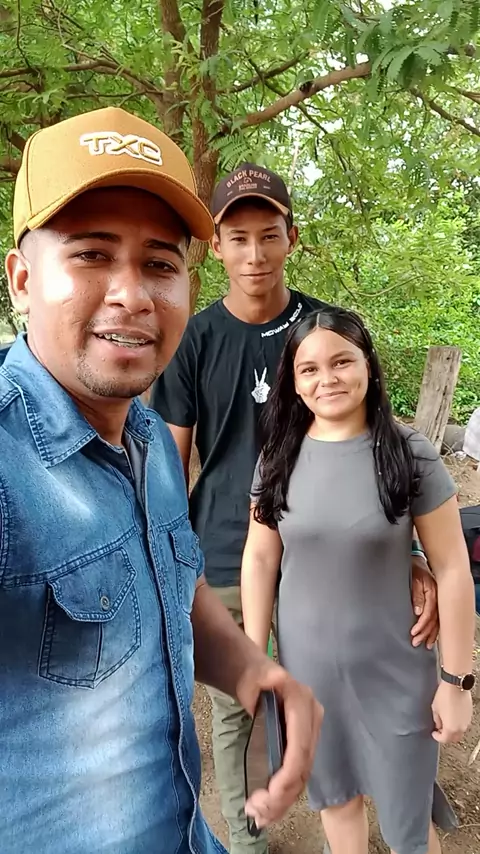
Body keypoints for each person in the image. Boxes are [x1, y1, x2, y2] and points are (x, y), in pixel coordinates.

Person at [0, 108, 323, 854]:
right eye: (91, 254)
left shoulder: (144, 435)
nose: (133, 295)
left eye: (159, 264)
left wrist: (253, 672)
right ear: (22, 279)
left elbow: (169, 583)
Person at [151, 164, 441, 854]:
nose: (254, 253)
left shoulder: (325, 332)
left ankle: (404, 811)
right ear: (214, 247)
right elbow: (170, 466)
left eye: (268, 235)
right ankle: (248, 838)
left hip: (332, 558)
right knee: (239, 708)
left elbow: (381, 448)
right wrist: (176, 564)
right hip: (231, 556)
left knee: (369, 694)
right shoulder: (193, 339)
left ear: (292, 237)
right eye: (237, 237)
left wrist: (410, 551)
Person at [241, 306, 476, 854]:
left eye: (342, 361)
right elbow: (260, 558)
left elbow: (452, 567)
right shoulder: (278, 456)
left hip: (394, 671)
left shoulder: (409, 453)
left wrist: (456, 682)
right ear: (293, 381)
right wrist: (254, 657)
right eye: (309, 369)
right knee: (336, 801)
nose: (327, 379)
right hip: (309, 674)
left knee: (407, 827)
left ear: (368, 364)